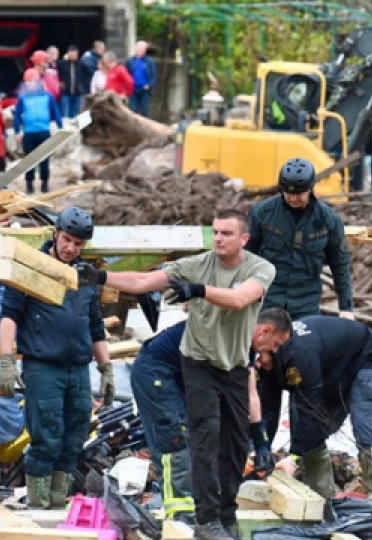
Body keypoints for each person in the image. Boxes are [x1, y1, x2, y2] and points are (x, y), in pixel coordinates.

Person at [76, 209, 292, 540]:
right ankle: (197, 519)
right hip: (186, 366)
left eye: (227, 233)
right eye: (215, 232)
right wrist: (102, 278)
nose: (219, 238)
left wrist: (261, 440)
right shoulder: (196, 265)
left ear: (244, 239)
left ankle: (224, 515)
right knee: (193, 438)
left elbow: (238, 299)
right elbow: (144, 281)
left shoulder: (260, 269)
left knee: (233, 445)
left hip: (228, 369)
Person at [0, 207, 114, 510]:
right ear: (55, 234)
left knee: (74, 437)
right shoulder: (31, 269)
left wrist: (106, 369)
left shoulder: (84, 275)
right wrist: (7, 362)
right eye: (66, 240)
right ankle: (38, 505)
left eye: (77, 244)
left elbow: (96, 326)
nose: (70, 248)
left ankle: (57, 503)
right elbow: (9, 317)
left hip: (78, 370)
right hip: (44, 368)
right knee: (46, 438)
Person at [131, 307, 291, 527]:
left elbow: (250, 393)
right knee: (175, 439)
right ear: (265, 330)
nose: (273, 352)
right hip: (157, 369)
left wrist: (261, 443)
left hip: (185, 375)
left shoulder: (247, 346)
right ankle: (180, 517)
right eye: (275, 345)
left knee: (203, 438)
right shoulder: (229, 329)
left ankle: (197, 509)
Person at [255, 315, 372, 501]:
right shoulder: (266, 362)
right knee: (308, 425)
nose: (257, 362)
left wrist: (293, 458)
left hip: (367, 359)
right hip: (332, 369)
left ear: (274, 347)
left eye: (259, 356)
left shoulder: (300, 354)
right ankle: (322, 497)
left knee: (362, 423)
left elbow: (310, 407)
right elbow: (268, 411)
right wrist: (262, 449)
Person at [245, 157, 354, 321]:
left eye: (298, 194)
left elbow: (340, 266)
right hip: (266, 300)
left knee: (304, 345)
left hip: (306, 304)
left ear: (310, 189)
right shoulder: (262, 214)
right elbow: (244, 256)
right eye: (288, 193)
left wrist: (346, 308)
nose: (293, 198)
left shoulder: (329, 220)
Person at [14, 68, 63, 195]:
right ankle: (29, 184)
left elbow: (56, 112)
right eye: (28, 82)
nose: (30, 84)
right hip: (29, 132)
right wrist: (16, 131)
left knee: (44, 159)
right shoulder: (23, 97)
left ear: (38, 81)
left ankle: (44, 183)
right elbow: (17, 115)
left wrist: (61, 127)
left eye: (32, 81)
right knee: (29, 160)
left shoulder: (48, 96)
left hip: (44, 131)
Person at [124, 41, 157, 118]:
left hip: (144, 89)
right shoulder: (130, 61)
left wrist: (149, 85)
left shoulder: (149, 61)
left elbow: (153, 75)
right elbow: (126, 74)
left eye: (144, 49)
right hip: (133, 89)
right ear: (136, 49)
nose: (142, 50)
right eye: (140, 48)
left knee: (144, 110)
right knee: (132, 110)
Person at [57, 45, 89, 118]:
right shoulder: (62, 64)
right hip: (65, 93)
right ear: (68, 53)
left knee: (75, 114)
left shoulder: (81, 64)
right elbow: (55, 73)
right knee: (65, 114)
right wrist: (59, 82)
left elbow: (88, 74)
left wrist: (82, 84)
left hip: (77, 93)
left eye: (75, 54)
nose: (73, 56)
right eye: (71, 54)